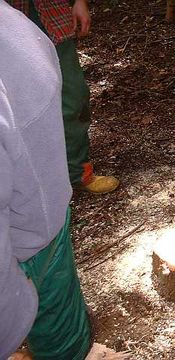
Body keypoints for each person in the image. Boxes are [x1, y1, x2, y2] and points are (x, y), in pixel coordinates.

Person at [0, 2, 91, 358]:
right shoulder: (14, 24)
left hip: (44, 217)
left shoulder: (14, 29)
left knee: (60, 327)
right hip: (34, 224)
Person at [6, 0, 119, 194]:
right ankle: (28, 182)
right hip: (7, 27)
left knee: (73, 97)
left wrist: (79, 2)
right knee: (16, 106)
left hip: (52, 17)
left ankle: (77, 173)